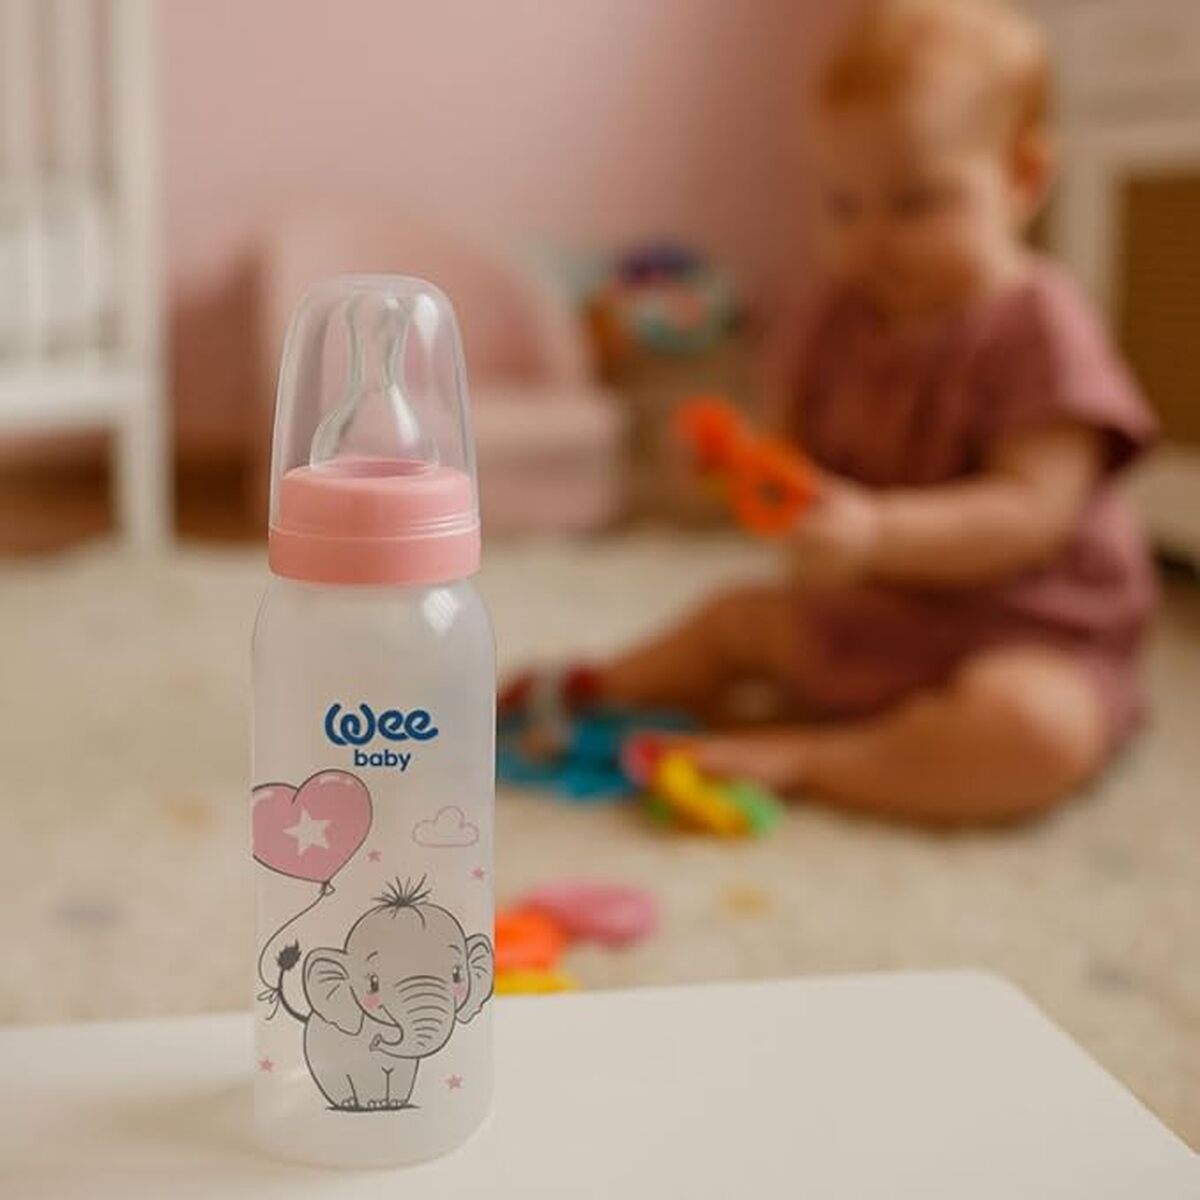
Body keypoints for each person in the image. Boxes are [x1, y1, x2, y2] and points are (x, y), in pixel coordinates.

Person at [507, 0, 1157, 824]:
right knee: (733, 622)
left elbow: (1033, 512)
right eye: (843, 205)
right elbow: (786, 461)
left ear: (1023, 177)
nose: (871, 237)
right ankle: (592, 686)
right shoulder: (833, 314)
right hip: (871, 619)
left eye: (916, 202)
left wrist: (878, 532)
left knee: (1034, 735)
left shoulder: (1041, 324)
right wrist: (730, 469)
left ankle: (817, 759)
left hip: (1025, 632)